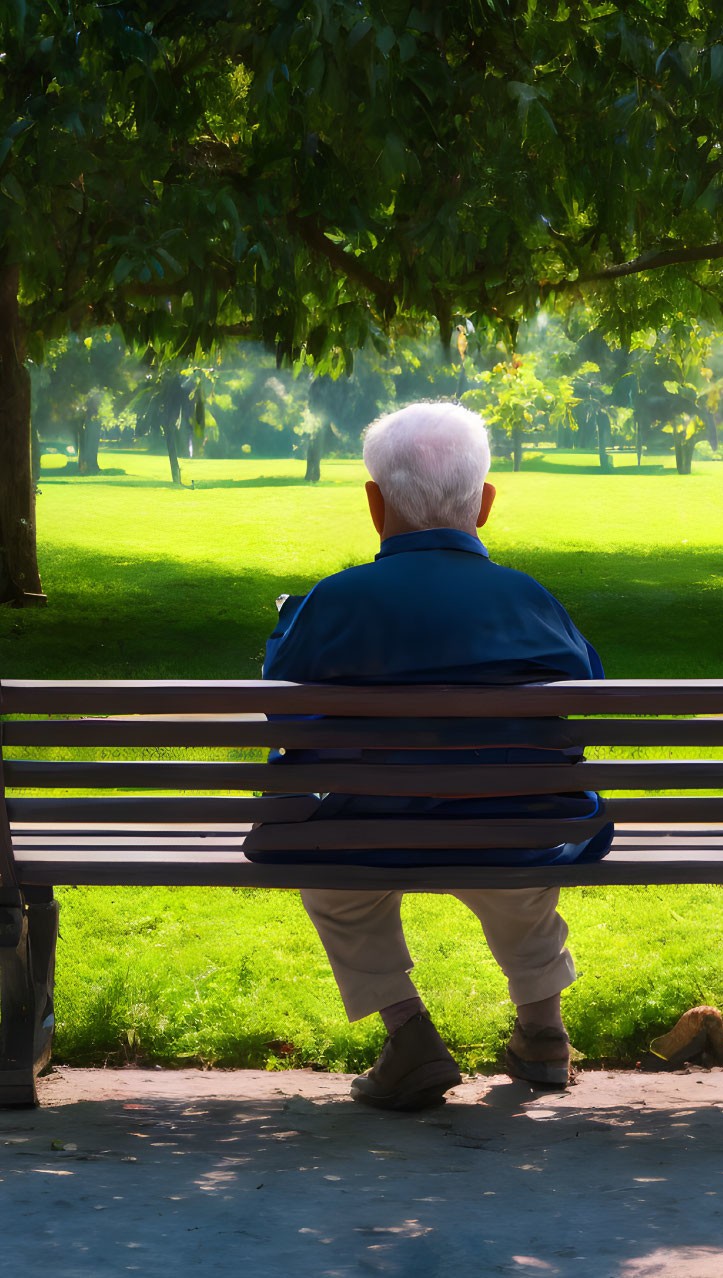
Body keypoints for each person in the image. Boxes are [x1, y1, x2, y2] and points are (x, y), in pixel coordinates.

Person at [258, 401, 611, 1110]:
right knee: (523, 885)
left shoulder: (334, 601)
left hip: (368, 832)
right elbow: (583, 705)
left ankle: (408, 1032)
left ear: (373, 503)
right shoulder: (529, 600)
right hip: (515, 834)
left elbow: (284, 714)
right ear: (482, 504)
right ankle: (542, 1033)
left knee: (334, 887)